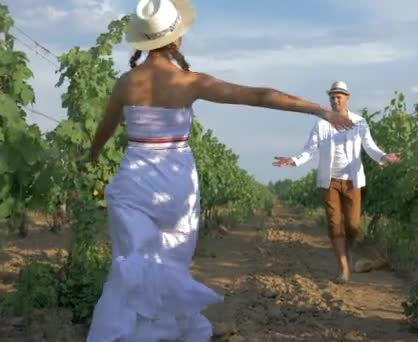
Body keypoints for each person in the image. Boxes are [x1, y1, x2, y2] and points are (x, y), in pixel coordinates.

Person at [85, 0, 353, 341]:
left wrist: (93, 156)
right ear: (176, 39)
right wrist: (318, 110)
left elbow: (104, 130)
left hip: (133, 184)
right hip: (175, 184)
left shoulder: (125, 83)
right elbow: (259, 95)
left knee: (132, 266)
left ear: (143, 40)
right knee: (170, 264)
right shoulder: (190, 82)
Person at [273, 81, 401, 283]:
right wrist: (294, 160)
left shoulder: (359, 122)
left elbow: (370, 147)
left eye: (339, 96)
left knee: (353, 225)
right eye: (332, 97)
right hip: (329, 181)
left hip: (352, 180)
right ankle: (343, 267)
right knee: (335, 224)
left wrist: (385, 157)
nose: (335, 100)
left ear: (347, 98)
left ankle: (348, 252)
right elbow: (310, 150)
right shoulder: (321, 125)